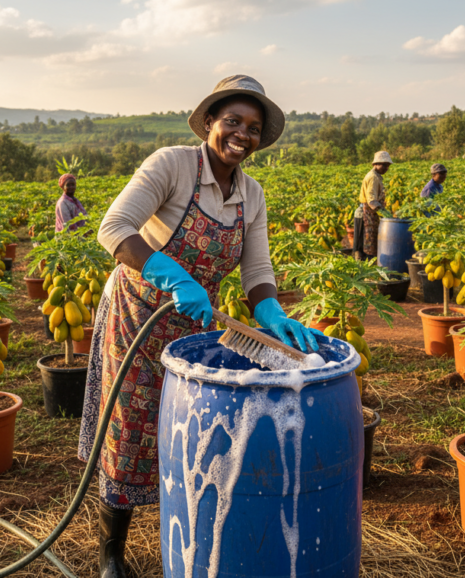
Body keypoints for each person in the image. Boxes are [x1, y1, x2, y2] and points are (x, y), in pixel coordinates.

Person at [78, 75, 319, 578]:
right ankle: (111, 557)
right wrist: (174, 275)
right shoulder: (172, 165)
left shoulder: (251, 195)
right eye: (232, 121)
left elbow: (257, 273)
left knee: (188, 432)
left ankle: (188, 539)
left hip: (192, 331)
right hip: (137, 316)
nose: (242, 134)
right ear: (209, 122)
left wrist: (270, 311)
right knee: (129, 429)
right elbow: (114, 228)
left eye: (253, 127)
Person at [354, 151, 390, 261]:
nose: (386, 168)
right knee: (365, 244)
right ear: (375, 164)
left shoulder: (376, 176)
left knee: (367, 243)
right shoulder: (373, 177)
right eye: (383, 165)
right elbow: (371, 201)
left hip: (369, 212)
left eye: (387, 165)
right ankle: (364, 270)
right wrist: (386, 215)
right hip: (366, 213)